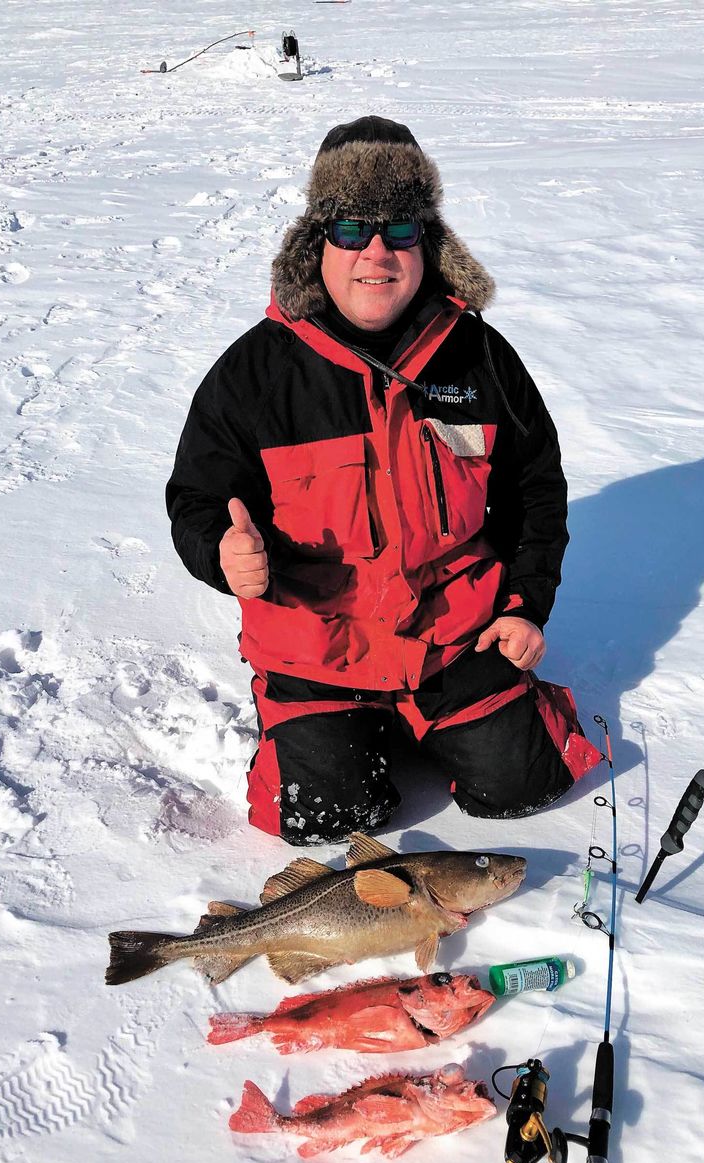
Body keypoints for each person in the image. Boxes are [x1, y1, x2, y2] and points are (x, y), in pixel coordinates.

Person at [167, 116, 599, 845]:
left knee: (527, 783)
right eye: (351, 229)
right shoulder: (255, 373)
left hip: (453, 635)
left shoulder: (479, 359)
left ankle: (441, 718)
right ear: (317, 243)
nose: (377, 251)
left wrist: (526, 604)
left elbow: (535, 487)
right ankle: (324, 727)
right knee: (326, 820)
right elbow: (198, 499)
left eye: (400, 229)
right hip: (317, 645)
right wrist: (221, 554)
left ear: (427, 243)